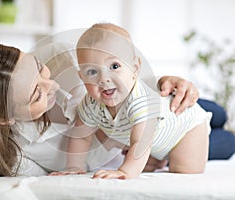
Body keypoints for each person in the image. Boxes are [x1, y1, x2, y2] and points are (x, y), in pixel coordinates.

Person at [0, 41, 200, 176]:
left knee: (214, 111)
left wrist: (164, 82)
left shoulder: (59, 55)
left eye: (39, 68)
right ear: (4, 118)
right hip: (154, 144)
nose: (51, 85)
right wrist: (128, 159)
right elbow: (78, 168)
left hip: (159, 111)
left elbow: (118, 69)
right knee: (225, 142)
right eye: (36, 94)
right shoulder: (17, 157)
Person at [51, 23, 212, 179]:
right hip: (156, 141)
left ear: (135, 68)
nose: (104, 79)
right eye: (92, 71)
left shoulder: (139, 100)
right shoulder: (91, 103)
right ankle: (162, 157)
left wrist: (125, 172)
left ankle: (170, 156)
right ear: (82, 77)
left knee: (185, 170)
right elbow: (81, 136)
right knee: (145, 161)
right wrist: (74, 167)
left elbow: (140, 143)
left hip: (185, 128)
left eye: (114, 66)